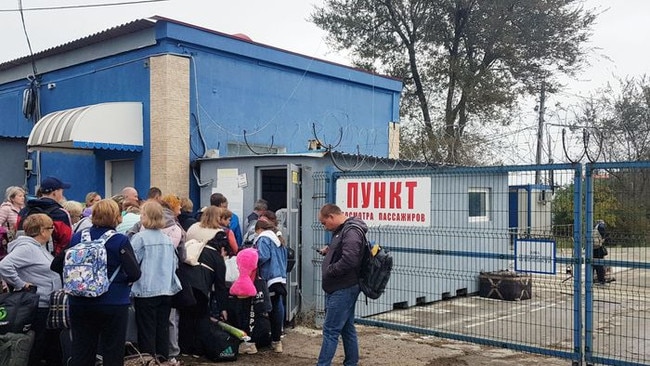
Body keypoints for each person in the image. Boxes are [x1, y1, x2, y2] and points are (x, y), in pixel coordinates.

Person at [52, 199, 141, 366]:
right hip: (113, 301)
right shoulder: (119, 240)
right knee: (112, 349)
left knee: (82, 349)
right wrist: (123, 282)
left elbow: (58, 264)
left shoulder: (78, 237)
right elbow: (134, 272)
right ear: (116, 217)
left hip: (79, 301)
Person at [0, 213, 63, 366]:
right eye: (50, 228)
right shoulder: (27, 248)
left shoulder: (38, 247)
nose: (52, 231)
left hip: (46, 303)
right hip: (37, 305)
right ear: (42, 231)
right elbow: (4, 266)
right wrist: (21, 284)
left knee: (48, 346)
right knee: (36, 346)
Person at [130, 201, 182, 364]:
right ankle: (163, 360)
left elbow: (132, 263)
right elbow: (174, 264)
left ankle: (149, 361)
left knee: (146, 331)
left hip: (146, 290)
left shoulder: (139, 239)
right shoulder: (167, 240)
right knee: (162, 329)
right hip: (166, 290)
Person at [316, 203, 366, 366]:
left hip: (343, 287)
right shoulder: (344, 230)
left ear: (331, 216)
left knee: (330, 330)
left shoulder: (350, 231)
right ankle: (351, 362)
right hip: (343, 286)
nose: (325, 227)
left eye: (324, 223)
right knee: (346, 328)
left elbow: (350, 259)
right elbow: (345, 251)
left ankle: (323, 364)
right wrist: (330, 250)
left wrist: (331, 270)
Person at [177, 226, 230, 357]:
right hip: (200, 289)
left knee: (185, 317)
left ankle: (184, 348)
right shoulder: (217, 258)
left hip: (184, 285)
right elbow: (220, 286)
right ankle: (198, 349)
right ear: (222, 249)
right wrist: (223, 308)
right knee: (201, 318)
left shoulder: (198, 248)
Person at [254, 219, 287, 353]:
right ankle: (276, 340)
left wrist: (252, 256)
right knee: (277, 308)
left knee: (263, 307)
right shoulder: (278, 240)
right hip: (279, 278)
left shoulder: (263, 238)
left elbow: (263, 256)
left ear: (259, 229)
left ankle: (256, 339)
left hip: (267, 278)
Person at [17, 176, 73, 256]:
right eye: (61, 191)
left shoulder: (23, 211)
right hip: (50, 261)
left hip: (23, 256)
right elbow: (67, 241)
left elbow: (18, 231)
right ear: (55, 193)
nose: (62, 195)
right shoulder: (61, 214)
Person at [593, 219, 609, 285]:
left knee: (593, 264)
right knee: (600, 264)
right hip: (598, 248)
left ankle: (591, 279)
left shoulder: (593, 227)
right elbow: (603, 236)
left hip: (592, 248)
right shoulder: (601, 227)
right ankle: (601, 280)